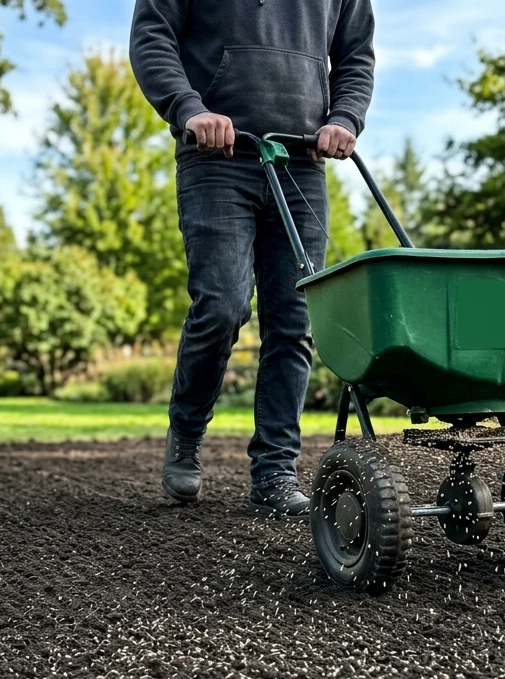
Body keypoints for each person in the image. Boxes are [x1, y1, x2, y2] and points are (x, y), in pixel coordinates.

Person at [129, 0, 376, 521]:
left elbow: (355, 54)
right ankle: (187, 429)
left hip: (302, 158)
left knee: (295, 320)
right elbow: (153, 36)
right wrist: (189, 108)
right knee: (222, 304)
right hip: (216, 156)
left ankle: (274, 472)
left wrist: (345, 117)